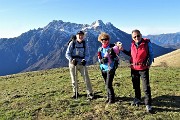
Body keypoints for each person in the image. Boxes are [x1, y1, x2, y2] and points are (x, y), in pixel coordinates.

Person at [121, 29, 154, 113]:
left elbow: (151, 54)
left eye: (138, 35)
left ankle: (148, 104)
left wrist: (148, 64)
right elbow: (130, 54)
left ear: (141, 35)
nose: (136, 37)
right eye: (134, 36)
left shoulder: (146, 43)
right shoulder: (132, 44)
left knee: (146, 87)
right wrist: (122, 50)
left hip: (143, 69)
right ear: (132, 38)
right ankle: (137, 98)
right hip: (134, 69)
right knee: (136, 85)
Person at [65, 31, 94, 99]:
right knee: (74, 79)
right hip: (73, 63)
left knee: (86, 78)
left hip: (81, 63)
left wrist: (85, 60)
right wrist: (71, 60)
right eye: (79, 35)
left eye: (82, 35)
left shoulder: (85, 43)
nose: (80, 36)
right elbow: (67, 54)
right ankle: (75, 92)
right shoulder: (72, 43)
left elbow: (87, 54)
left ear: (83, 36)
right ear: (76, 36)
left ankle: (90, 93)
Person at [97, 32, 120, 104]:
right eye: (102, 39)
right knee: (106, 83)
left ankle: (112, 99)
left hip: (111, 68)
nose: (104, 41)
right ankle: (108, 97)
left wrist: (113, 55)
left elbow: (118, 54)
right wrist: (101, 60)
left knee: (108, 84)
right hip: (103, 68)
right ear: (100, 40)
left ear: (108, 40)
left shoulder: (112, 47)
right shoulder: (100, 49)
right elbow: (99, 58)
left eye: (106, 39)